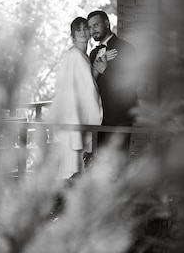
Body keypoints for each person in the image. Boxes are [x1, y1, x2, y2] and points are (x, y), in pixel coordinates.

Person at [49, 16, 107, 180]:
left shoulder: (82, 56)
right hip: (74, 116)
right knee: (73, 167)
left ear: (89, 33)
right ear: (72, 35)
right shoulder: (74, 56)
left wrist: (96, 71)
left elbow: (86, 85)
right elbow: (86, 89)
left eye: (85, 29)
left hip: (78, 116)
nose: (83, 32)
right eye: (78, 30)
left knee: (77, 165)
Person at [87, 10, 138, 154]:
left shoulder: (126, 48)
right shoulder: (93, 54)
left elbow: (132, 82)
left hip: (120, 117)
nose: (93, 30)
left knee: (118, 163)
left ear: (107, 23)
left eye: (96, 25)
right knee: (99, 162)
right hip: (99, 117)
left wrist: (105, 70)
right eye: (90, 27)